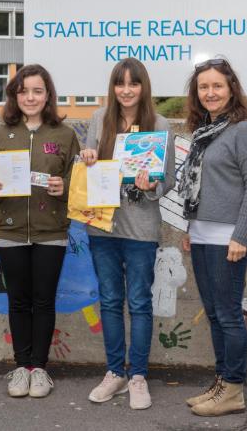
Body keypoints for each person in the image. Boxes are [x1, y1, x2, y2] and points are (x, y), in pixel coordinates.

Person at [79, 58, 176, 410]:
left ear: (143, 87)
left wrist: (152, 186)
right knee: (109, 301)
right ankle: (114, 372)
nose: (126, 90)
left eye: (133, 83)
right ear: (113, 87)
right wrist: (87, 157)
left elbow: (169, 179)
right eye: (120, 83)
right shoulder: (98, 118)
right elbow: (87, 166)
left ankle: (138, 376)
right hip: (102, 226)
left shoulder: (159, 124)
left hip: (141, 229)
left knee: (138, 302)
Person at [0, 64, 80, 399]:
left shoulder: (64, 134)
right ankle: (21, 367)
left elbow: (78, 178)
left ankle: (40, 368)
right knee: (18, 300)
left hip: (50, 230)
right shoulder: (2, 133)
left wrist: (64, 187)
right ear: (15, 95)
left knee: (43, 300)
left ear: (48, 95)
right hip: (10, 231)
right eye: (24, 91)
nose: (30, 97)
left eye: (37, 91)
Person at [178, 58, 247, 416]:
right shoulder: (205, 132)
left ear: (231, 89)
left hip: (229, 238)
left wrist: (241, 237)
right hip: (203, 235)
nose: (210, 92)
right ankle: (221, 382)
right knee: (214, 313)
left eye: (217, 85)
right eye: (203, 87)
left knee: (228, 315)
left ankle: (233, 389)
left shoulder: (244, 130)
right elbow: (202, 187)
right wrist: (191, 228)